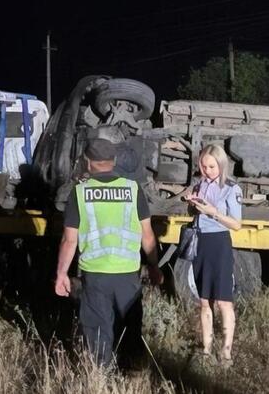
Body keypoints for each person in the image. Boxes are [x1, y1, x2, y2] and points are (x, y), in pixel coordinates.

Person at [54, 138, 164, 367]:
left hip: (95, 274)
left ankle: (101, 378)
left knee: (97, 330)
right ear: (114, 161)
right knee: (129, 329)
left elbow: (69, 239)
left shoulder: (80, 193)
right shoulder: (133, 190)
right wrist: (154, 266)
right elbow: (148, 235)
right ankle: (130, 374)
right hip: (128, 273)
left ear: (88, 162)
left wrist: (62, 274)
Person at [183, 144, 242, 366]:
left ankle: (226, 352)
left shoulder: (231, 189)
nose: (207, 170)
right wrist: (193, 204)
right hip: (201, 242)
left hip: (219, 243)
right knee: (204, 301)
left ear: (221, 164)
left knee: (223, 301)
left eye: (211, 166)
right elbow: (196, 214)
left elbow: (236, 224)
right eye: (203, 166)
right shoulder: (200, 185)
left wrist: (214, 212)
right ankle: (206, 350)